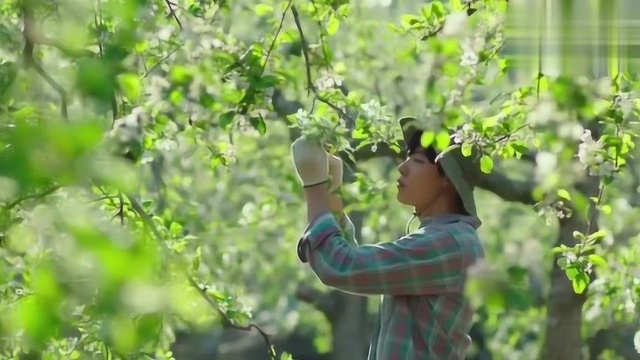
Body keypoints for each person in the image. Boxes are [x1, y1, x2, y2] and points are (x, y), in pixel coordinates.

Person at [290, 116, 486, 359]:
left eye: (416, 160)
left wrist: (314, 186)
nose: (402, 167)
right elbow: (358, 268)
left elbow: (340, 266)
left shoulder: (450, 243)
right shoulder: (444, 239)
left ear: (447, 178)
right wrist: (332, 195)